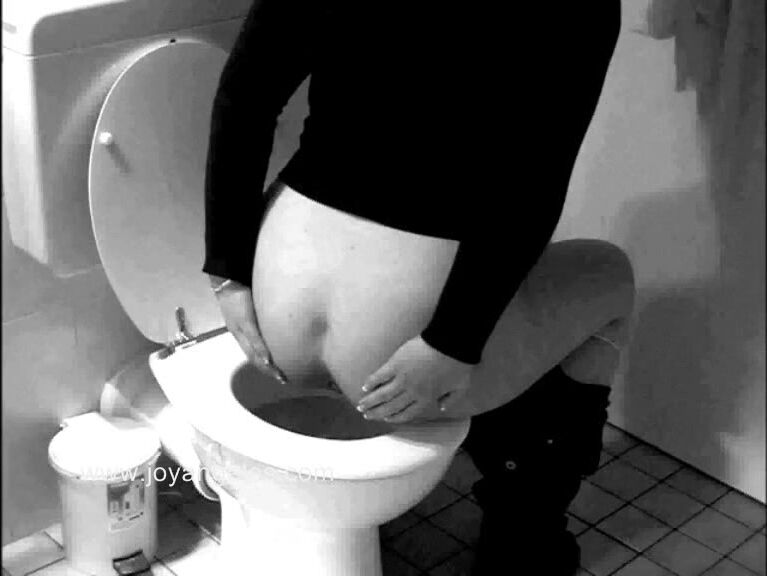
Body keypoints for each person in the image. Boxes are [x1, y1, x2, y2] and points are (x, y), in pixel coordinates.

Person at [202, 1, 633, 574]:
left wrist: (229, 272)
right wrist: (452, 344)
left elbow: (244, 97)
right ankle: (524, 532)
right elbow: (533, 178)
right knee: (609, 274)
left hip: (275, 296)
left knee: (515, 292)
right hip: (396, 335)